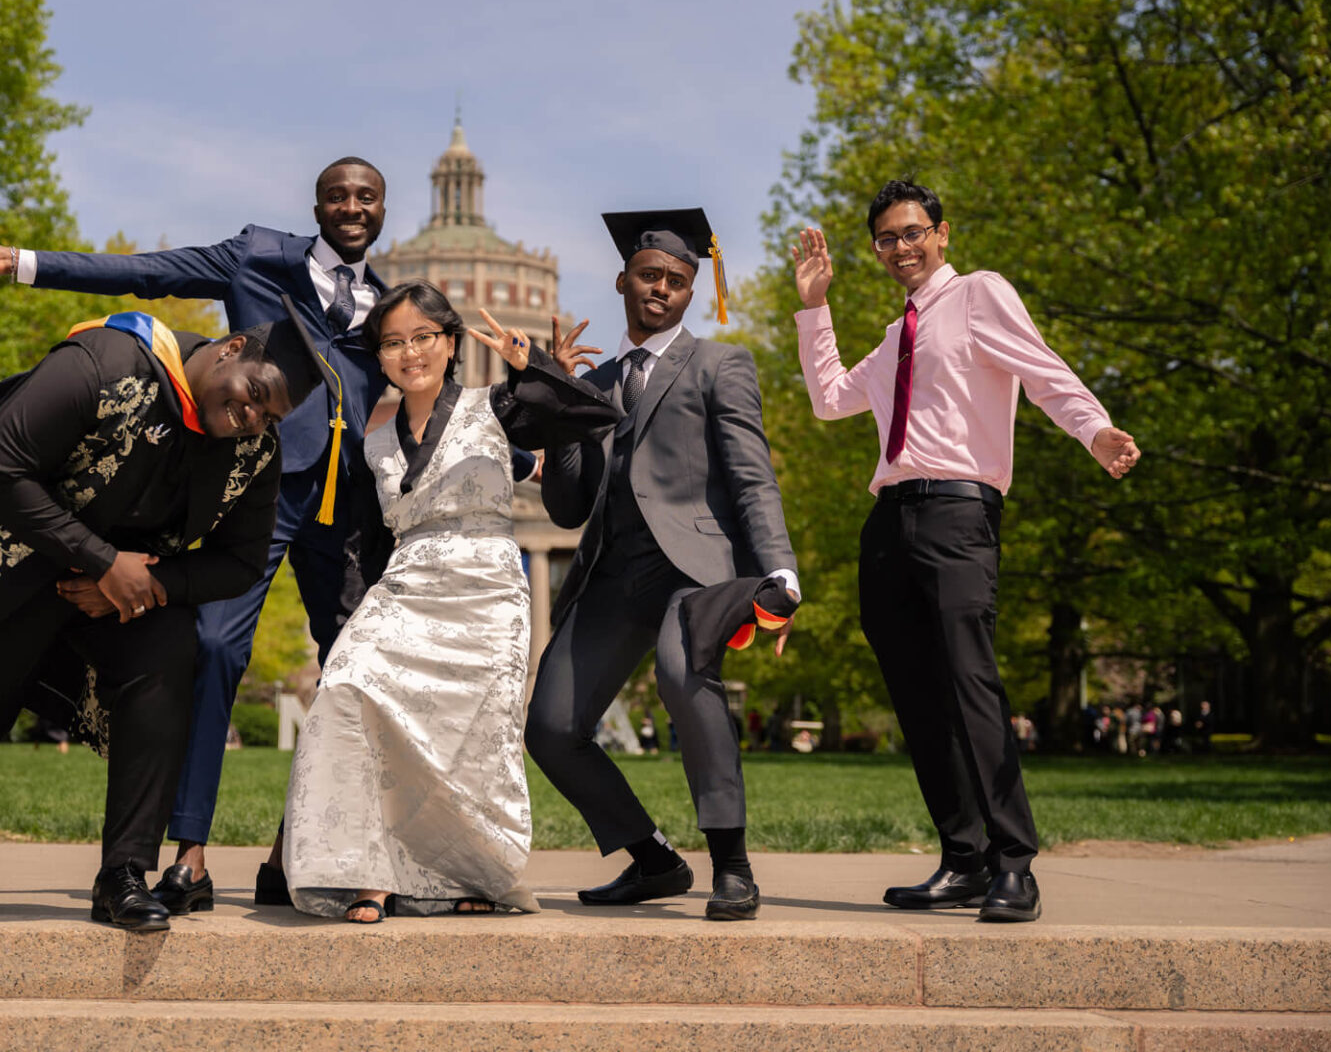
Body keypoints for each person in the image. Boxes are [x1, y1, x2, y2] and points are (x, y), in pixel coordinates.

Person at [0, 159, 392, 913]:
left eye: (366, 197)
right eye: (338, 195)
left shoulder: (388, 302)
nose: (351, 207)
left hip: (346, 506)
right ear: (316, 204)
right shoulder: (259, 256)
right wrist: (23, 265)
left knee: (357, 675)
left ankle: (297, 852)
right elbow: (147, 272)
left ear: (383, 209)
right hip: (262, 490)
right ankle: (190, 856)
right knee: (214, 647)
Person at [0, 301, 327, 932]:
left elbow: (239, 563)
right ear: (232, 349)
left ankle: (123, 876)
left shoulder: (253, 451)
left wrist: (148, 581)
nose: (252, 416)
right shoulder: (105, 362)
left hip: (118, 597)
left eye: (269, 414)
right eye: (255, 394)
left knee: (174, 648)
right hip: (13, 567)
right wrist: (103, 561)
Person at [791, 178, 1141, 924]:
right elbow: (828, 399)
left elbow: (1043, 370)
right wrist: (815, 307)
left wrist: (1094, 429)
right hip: (888, 522)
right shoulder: (895, 338)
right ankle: (963, 860)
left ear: (942, 235)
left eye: (913, 232)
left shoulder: (981, 294)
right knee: (918, 702)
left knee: (971, 686)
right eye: (887, 238)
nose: (901, 248)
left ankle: (1014, 863)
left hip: (958, 513)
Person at [284, 287, 615, 922]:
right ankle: (365, 872)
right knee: (346, 686)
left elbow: (589, 418)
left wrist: (539, 371)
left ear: (452, 343)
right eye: (393, 342)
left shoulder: (495, 407)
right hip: (407, 583)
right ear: (378, 356)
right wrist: (349, 615)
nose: (409, 352)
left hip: (486, 586)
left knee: (473, 739)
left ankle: (474, 874)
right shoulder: (374, 441)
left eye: (423, 337)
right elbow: (363, 541)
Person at [527, 209, 800, 923]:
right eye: (650, 276)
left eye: (678, 282)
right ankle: (652, 860)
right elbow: (567, 506)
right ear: (623, 280)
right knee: (551, 728)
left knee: (684, 673)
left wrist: (780, 571)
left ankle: (732, 866)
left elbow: (752, 478)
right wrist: (560, 406)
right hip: (614, 574)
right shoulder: (595, 384)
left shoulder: (719, 365)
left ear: (690, 293)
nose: (662, 290)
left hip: (695, 570)